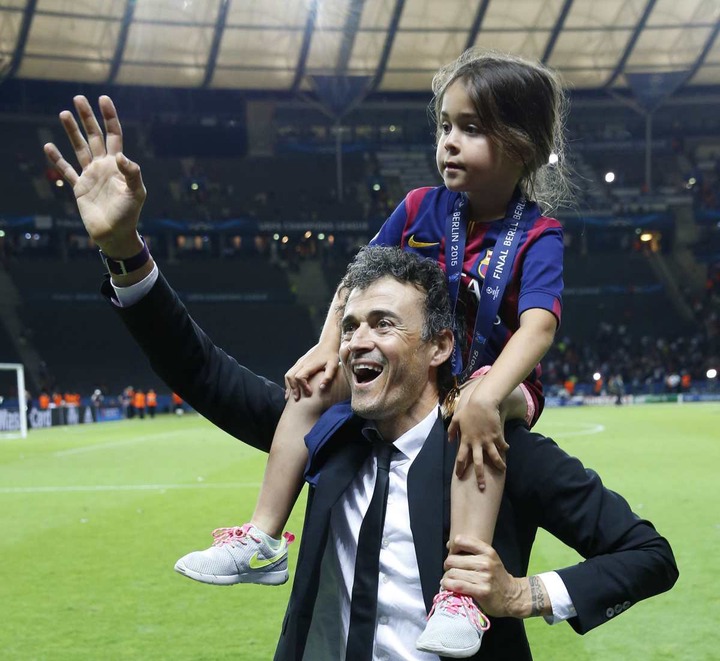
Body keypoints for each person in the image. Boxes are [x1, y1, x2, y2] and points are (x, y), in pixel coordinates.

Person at [45, 95, 678, 661]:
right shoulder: (327, 432)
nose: (356, 342)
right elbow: (198, 369)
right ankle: (262, 540)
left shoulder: (495, 451)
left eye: (382, 324)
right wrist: (125, 250)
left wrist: (523, 593)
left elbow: (649, 558)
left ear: (439, 345)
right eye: (350, 326)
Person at [172, 48, 568, 657]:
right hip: (417, 372)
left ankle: (460, 592)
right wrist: (327, 346)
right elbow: (358, 282)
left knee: (477, 417)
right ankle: (262, 537)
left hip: (496, 378)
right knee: (311, 386)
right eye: (444, 127)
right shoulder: (419, 207)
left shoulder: (539, 234)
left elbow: (537, 328)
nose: (449, 143)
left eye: (470, 128)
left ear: (522, 145)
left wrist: (489, 394)